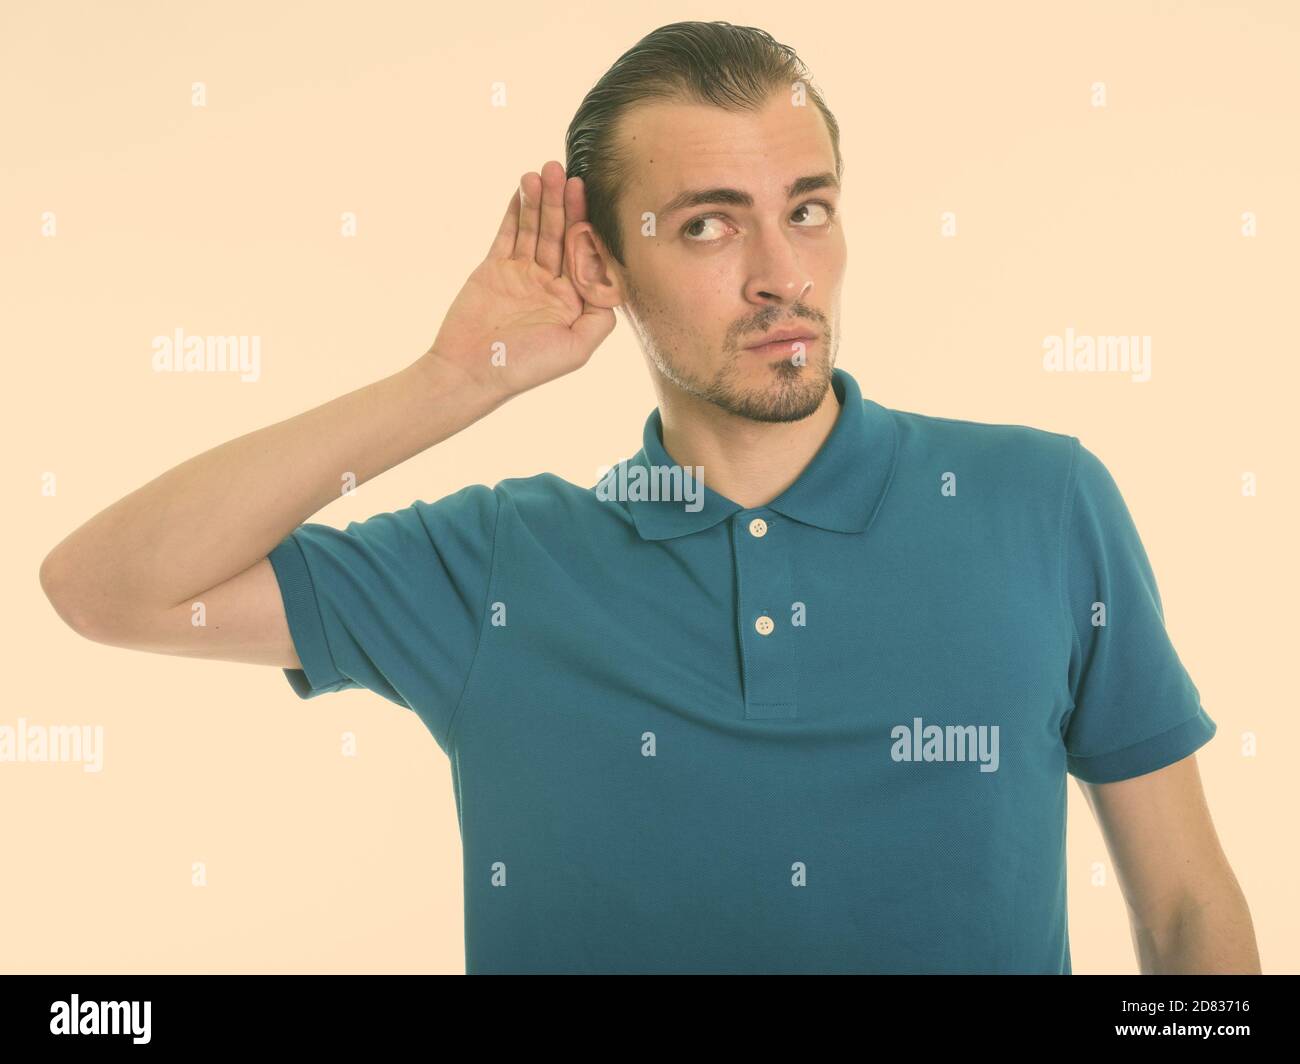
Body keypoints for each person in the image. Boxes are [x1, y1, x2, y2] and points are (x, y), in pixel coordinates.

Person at [39, 20, 1259, 975]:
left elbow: (1190, 905)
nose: (782, 275)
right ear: (604, 267)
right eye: (708, 225)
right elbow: (108, 588)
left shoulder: (1043, 503)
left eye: (809, 210)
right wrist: (450, 381)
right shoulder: (497, 566)